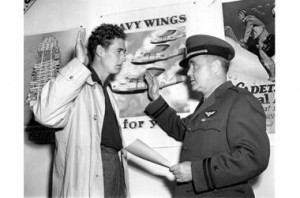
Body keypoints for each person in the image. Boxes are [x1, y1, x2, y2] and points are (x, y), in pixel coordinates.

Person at [144, 34, 270, 197]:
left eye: (194, 66)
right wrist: (156, 99)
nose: (189, 73)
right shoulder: (207, 104)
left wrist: (196, 172)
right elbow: (182, 130)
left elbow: (254, 157)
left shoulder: (240, 100)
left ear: (216, 66)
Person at [30, 24, 129, 197]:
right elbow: (45, 114)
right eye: (119, 51)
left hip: (115, 168)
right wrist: (78, 65)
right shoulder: (77, 85)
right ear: (100, 51)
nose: (124, 58)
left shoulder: (107, 90)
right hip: (92, 174)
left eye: (124, 52)